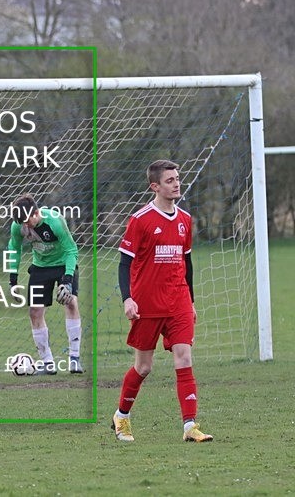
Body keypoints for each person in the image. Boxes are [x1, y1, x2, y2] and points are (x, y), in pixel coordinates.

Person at [112, 159, 213, 442]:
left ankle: (190, 426)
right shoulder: (140, 220)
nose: (176, 183)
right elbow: (124, 264)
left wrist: (190, 301)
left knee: (184, 357)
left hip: (178, 299)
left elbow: (187, 262)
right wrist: (127, 298)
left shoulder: (185, 220)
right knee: (144, 367)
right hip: (147, 304)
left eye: (178, 178)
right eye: (170, 180)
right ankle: (122, 416)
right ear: (155, 186)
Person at [6, 194, 83, 375]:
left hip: (64, 264)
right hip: (40, 267)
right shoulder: (18, 225)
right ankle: (48, 363)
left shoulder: (55, 221)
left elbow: (71, 250)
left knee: (71, 302)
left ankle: (74, 358)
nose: (25, 226)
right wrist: (13, 278)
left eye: (27, 221)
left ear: (36, 212)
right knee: (34, 311)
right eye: (21, 223)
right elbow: (14, 248)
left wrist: (68, 279)